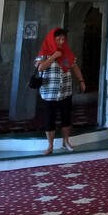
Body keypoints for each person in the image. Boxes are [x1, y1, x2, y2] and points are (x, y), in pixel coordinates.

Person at [35, 27, 87, 155]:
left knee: (66, 118)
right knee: (49, 119)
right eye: (58, 39)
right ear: (52, 40)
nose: (61, 42)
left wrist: (81, 80)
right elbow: (40, 68)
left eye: (63, 39)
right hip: (49, 93)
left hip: (65, 91)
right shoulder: (44, 54)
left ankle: (66, 141)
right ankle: (50, 145)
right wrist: (53, 57)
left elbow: (74, 67)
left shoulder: (67, 53)